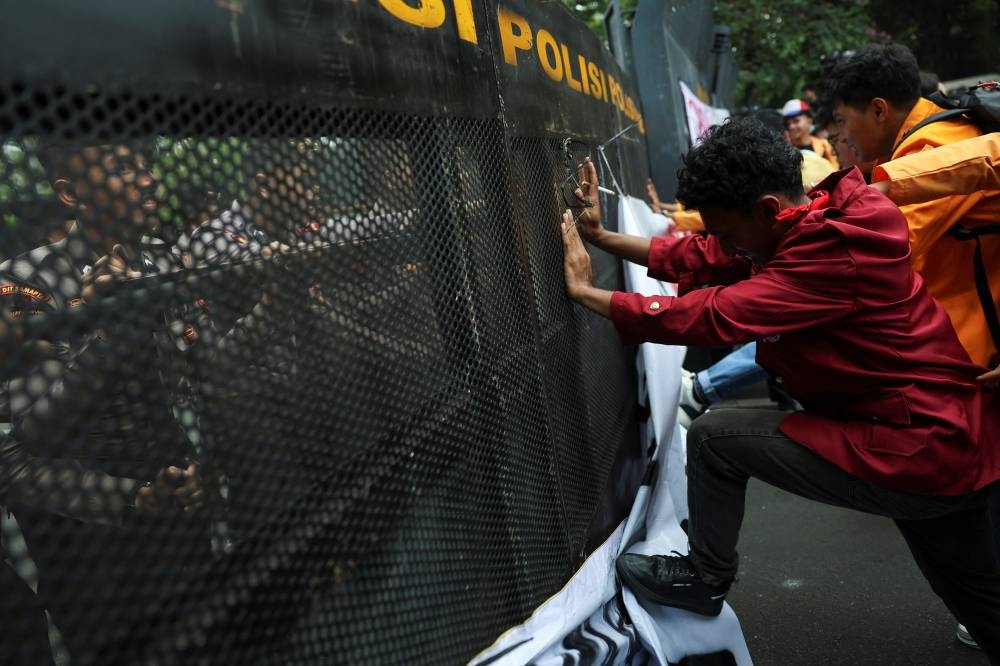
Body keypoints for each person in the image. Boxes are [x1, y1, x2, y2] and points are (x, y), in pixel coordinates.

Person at [560, 118, 1000, 659]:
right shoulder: (814, 215)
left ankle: (705, 578)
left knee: (716, 437)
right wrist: (602, 237)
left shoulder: (829, 249)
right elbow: (706, 256)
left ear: (766, 209)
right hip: (941, 438)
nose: (722, 243)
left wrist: (587, 294)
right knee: (977, 596)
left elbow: (713, 315)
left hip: (919, 446)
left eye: (727, 230)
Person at [825, 43, 1000, 370]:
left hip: (964, 356)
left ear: (879, 111)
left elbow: (885, 246)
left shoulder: (935, 144)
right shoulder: (931, 132)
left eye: (842, 121)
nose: (844, 136)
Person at [780, 99, 839, 168]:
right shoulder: (784, 152)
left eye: (796, 121)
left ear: (809, 120)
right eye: (787, 124)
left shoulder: (825, 146)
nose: (791, 126)